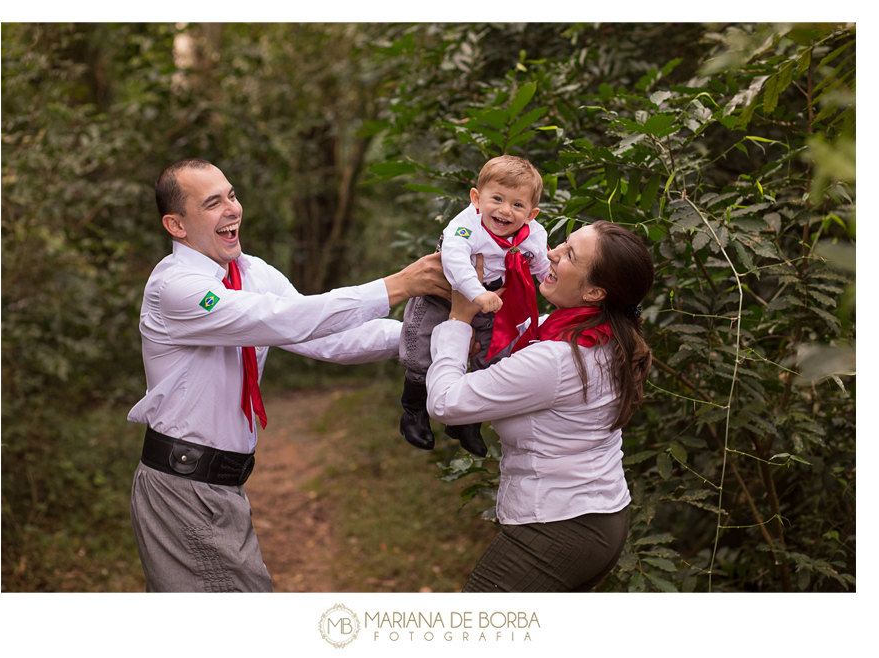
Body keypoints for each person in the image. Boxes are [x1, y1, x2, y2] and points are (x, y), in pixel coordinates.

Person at [128, 157, 450, 592]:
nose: (232, 209)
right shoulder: (176, 287)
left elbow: (326, 337)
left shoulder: (252, 272)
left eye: (232, 195)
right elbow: (285, 319)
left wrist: (437, 338)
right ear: (177, 225)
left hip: (223, 488)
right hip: (183, 490)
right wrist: (398, 285)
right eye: (212, 203)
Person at [426, 220, 654, 592]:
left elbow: (445, 402)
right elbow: (510, 339)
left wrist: (459, 318)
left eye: (569, 255)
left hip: (559, 526)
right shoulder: (597, 333)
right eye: (562, 243)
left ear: (595, 291)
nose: (550, 251)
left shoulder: (557, 357)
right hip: (599, 517)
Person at [398, 155, 549, 457]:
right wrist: (476, 294)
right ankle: (413, 409)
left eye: (517, 205)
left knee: (490, 352)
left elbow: (542, 265)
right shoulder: (466, 226)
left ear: (531, 214)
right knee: (421, 346)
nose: (505, 210)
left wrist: (554, 288)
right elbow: (455, 261)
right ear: (477, 199)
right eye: (497, 199)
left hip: (492, 296)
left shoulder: (533, 234)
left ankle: (468, 421)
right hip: (443, 290)